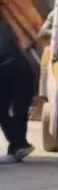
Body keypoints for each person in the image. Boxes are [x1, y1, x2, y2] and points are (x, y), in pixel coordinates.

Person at [0, 23, 36, 162]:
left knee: (5, 110)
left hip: (12, 71)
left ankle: (19, 144)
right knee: (18, 110)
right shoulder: (5, 30)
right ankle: (18, 147)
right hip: (20, 70)